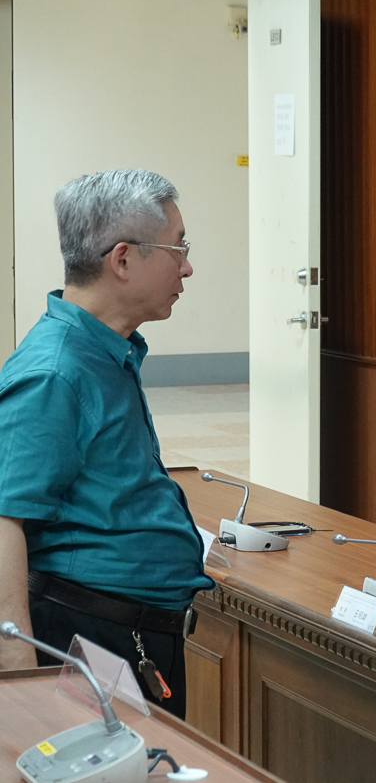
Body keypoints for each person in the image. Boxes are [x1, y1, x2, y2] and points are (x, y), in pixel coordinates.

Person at [0, 169, 213, 718]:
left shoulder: (103, 350)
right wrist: (19, 674)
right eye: (179, 248)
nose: (187, 266)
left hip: (127, 633)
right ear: (122, 260)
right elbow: (3, 521)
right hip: (89, 634)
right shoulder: (55, 372)